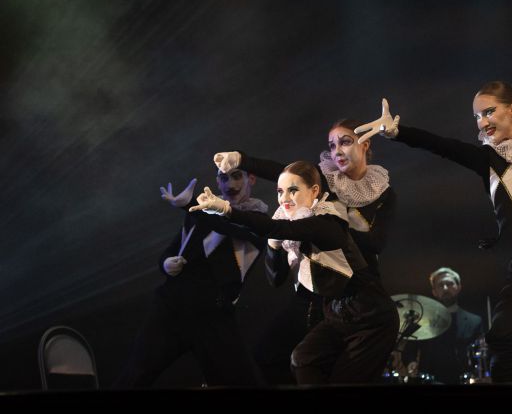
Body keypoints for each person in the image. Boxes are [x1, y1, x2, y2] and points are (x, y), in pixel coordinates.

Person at [356, 82, 512, 382]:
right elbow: (442, 146)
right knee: (501, 337)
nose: (482, 122)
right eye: (476, 116)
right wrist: (398, 132)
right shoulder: (489, 158)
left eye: (488, 112)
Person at [213, 119, 398, 383]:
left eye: (345, 142)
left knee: (334, 370)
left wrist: (337, 222)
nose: (337, 151)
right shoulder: (327, 182)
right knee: (295, 358)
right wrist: (242, 160)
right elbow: (286, 174)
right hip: (321, 291)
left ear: (365, 145)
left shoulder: (376, 195)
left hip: (356, 290)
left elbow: (376, 243)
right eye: (332, 146)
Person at [115, 165, 267, 387]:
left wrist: (190, 206)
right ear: (217, 181)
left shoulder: (257, 218)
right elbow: (173, 248)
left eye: (236, 177)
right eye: (224, 178)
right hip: (173, 306)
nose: (230, 185)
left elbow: (229, 225)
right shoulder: (201, 212)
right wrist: (166, 263)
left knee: (239, 380)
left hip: (213, 313)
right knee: (136, 374)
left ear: (251, 179)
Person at [402, 267, 484, 384]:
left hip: (462, 382)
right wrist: (411, 362)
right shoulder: (422, 320)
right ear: (434, 292)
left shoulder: (474, 321)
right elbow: (409, 350)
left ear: (459, 287)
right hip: (428, 383)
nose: (445, 288)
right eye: (440, 285)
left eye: (450, 284)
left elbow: (480, 353)